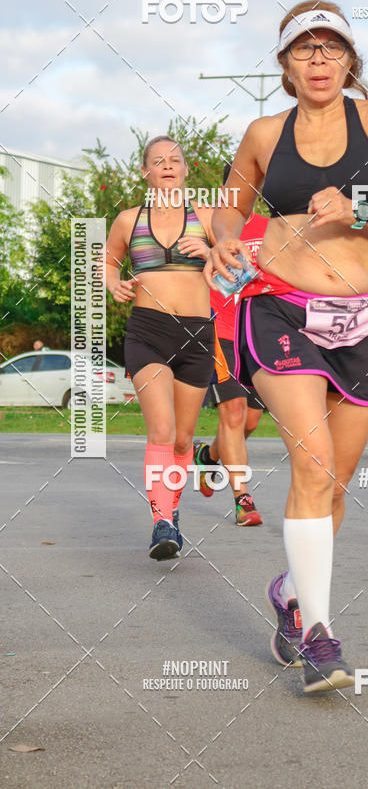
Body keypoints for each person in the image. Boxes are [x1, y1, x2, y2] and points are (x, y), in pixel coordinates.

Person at [205, 0, 368, 693]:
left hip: (364, 319)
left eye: (331, 48)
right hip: (279, 308)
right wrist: (223, 236)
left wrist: (362, 209)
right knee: (311, 465)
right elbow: (231, 204)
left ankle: (290, 593)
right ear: (285, 64)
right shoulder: (261, 133)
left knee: (334, 483)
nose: (318, 59)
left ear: (349, 61)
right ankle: (319, 638)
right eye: (304, 49)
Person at [104, 136, 223, 560]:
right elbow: (108, 258)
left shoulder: (208, 218)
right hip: (148, 331)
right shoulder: (127, 220)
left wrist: (211, 253)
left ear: (187, 169)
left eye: (175, 160)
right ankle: (162, 522)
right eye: (158, 161)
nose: (168, 166)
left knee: (183, 439)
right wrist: (112, 282)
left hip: (196, 334)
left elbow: (239, 275)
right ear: (145, 171)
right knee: (162, 430)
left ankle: (171, 508)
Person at [193, 163, 269, 526]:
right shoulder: (210, 221)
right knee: (234, 412)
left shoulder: (273, 228)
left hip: (258, 332)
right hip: (221, 329)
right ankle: (243, 500)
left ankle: (207, 457)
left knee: (250, 420)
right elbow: (167, 227)